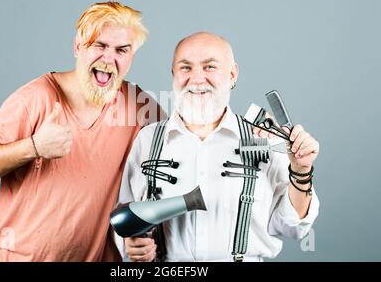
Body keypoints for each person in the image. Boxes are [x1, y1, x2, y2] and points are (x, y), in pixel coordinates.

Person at [0, 1, 164, 261]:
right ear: (78, 47)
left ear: (131, 57)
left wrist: (144, 235)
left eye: (122, 50)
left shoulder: (137, 104)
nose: (109, 59)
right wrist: (34, 147)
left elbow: (180, 151)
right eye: (99, 45)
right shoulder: (38, 97)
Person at [116, 32, 320, 262]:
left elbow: (293, 228)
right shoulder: (148, 140)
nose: (196, 79)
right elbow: (124, 220)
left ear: (232, 74)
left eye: (209, 67)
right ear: (173, 74)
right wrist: (132, 244)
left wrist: (301, 170)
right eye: (185, 68)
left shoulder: (267, 140)